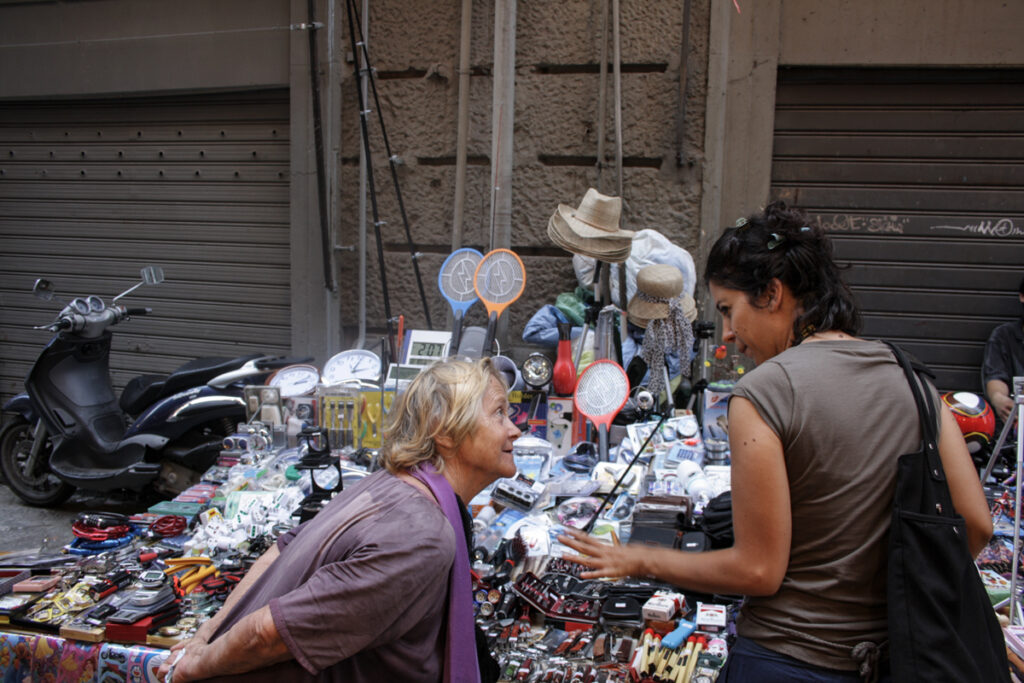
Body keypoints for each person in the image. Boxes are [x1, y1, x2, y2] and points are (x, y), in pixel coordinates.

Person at [560, 201, 992, 682]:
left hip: (787, 660)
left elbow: (758, 570)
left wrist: (639, 558)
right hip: (895, 661)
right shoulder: (918, 385)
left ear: (772, 293)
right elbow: (975, 525)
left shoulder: (766, 392)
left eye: (728, 310)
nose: (727, 333)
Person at [158, 357, 520, 683]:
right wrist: (196, 663)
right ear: (445, 431)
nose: (514, 430)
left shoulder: (387, 486)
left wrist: (208, 634)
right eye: (499, 413)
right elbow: (268, 634)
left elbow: (279, 551)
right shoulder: (420, 535)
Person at [982, 274, 1024, 424]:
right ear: (1022, 297)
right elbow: (995, 376)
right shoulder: (1004, 336)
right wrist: (998, 398)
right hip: (1017, 427)